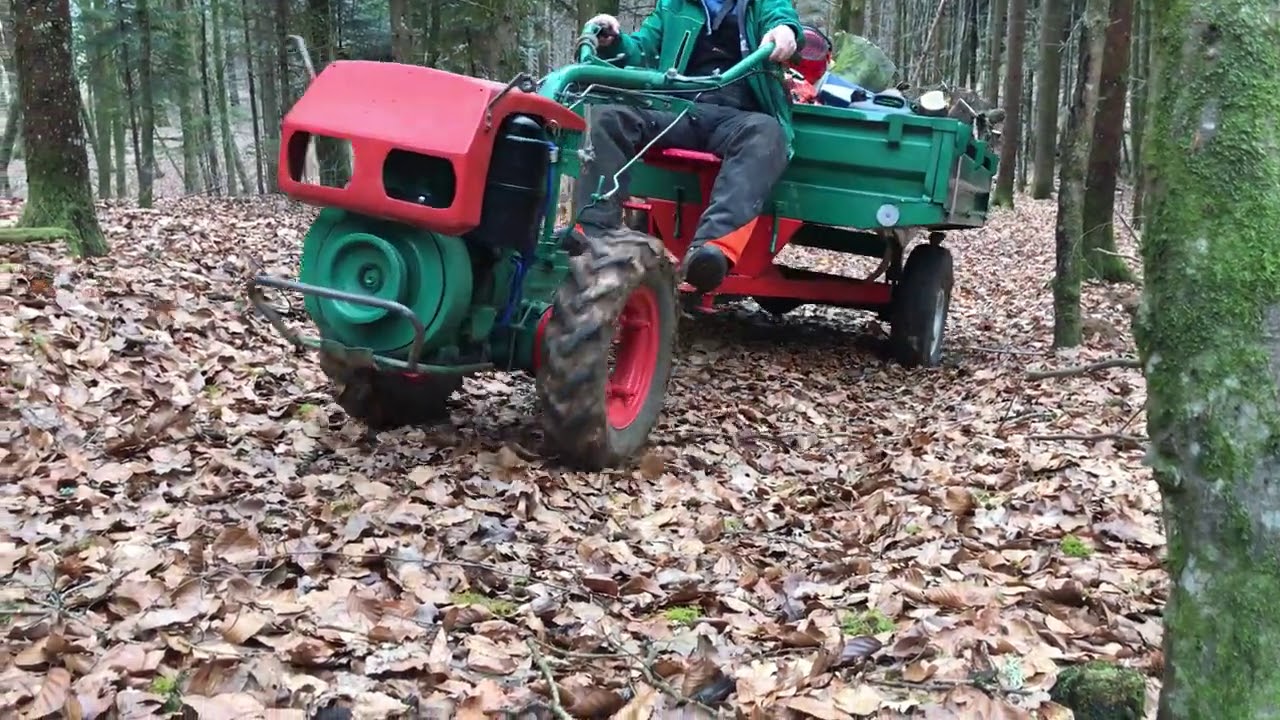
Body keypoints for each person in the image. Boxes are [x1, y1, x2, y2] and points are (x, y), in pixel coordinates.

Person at [571, 0, 803, 293]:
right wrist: (612, 41)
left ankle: (713, 250)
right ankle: (594, 236)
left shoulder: (763, 4)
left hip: (739, 115)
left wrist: (784, 32)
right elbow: (641, 50)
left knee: (768, 133)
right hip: (678, 109)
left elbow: (782, 20)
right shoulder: (673, 5)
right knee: (608, 117)